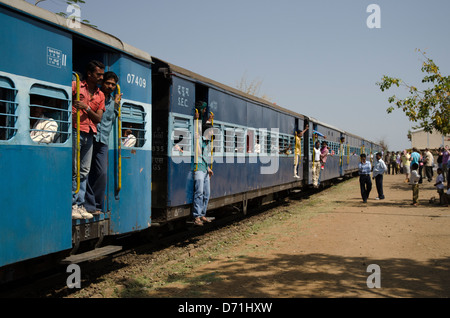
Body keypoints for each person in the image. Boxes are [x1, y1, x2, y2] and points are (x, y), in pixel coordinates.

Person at [71, 60, 106, 220]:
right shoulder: (76, 86)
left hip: (90, 133)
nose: (101, 77)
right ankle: (72, 204)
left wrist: (86, 108)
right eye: (98, 74)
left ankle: (80, 204)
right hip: (75, 130)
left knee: (84, 171)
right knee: (74, 169)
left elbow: (98, 118)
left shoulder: (100, 94)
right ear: (90, 74)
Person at [84, 72, 122, 215]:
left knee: (102, 173)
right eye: (108, 83)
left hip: (103, 140)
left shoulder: (113, 102)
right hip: (91, 136)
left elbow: (112, 120)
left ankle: (97, 205)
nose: (110, 86)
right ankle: (89, 204)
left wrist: (117, 105)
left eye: (113, 84)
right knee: (85, 171)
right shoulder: (95, 96)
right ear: (102, 83)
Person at [193, 123, 214, 226]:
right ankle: (197, 216)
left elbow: (205, 157)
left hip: (205, 169)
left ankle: (202, 214)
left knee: (207, 193)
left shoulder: (209, 143)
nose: (212, 133)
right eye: (211, 131)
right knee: (199, 192)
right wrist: (197, 141)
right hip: (199, 169)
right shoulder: (199, 140)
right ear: (207, 132)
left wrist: (209, 168)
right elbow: (199, 153)